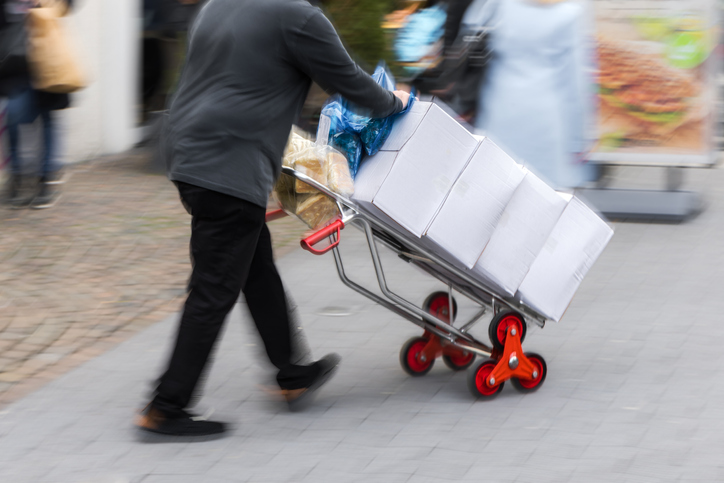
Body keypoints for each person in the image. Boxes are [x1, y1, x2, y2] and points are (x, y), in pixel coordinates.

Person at [136, 0, 410, 437]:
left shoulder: (217, 5)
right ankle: (166, 406)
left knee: (253, 263)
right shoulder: (297, 16)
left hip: (190, 153)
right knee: (214, 286)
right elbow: (351, 84)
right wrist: (393, 102)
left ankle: (292, 373)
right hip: (229, 162)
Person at [464, 0, 596, 189]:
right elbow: (575, 83)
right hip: (546, 120)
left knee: (495, 189)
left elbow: (470, 36)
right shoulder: (570, 13)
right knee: (542, 197)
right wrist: (578, 141)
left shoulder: (497, 4)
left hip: (499, 109)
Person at [0, 0, 71, 209]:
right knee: (13, 117)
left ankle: (46, 180)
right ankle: (17, 175)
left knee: (48, 118)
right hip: (15, 65)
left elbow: (68, 7)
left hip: (48, 61)